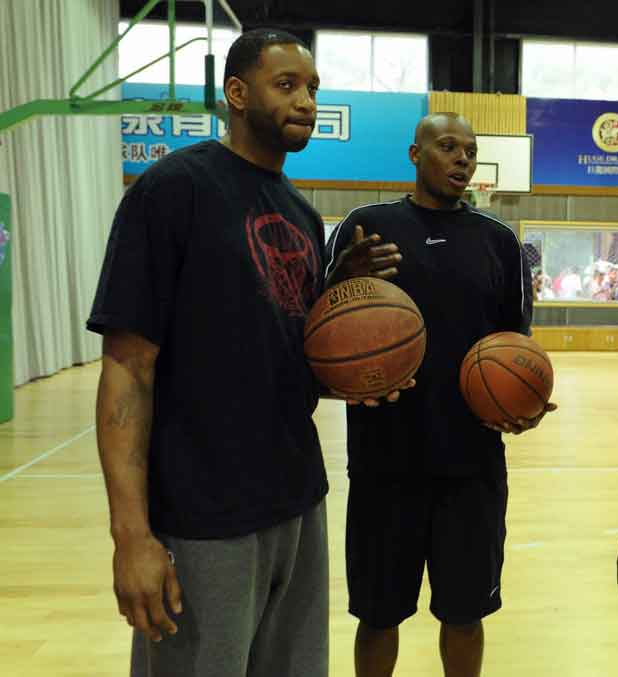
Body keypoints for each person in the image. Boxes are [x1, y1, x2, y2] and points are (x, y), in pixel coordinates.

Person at [89, 29, 335, 677]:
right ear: (236, 93)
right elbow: (127, 369)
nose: (306, 100)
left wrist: (360, 354)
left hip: (300, 504)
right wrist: (131, 536)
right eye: (287, 85)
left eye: (312, 88)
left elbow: (292, 364)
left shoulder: (305, 219)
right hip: (204, 517)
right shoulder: (175, 191)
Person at [324, 112, 556, 677]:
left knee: (465, 613)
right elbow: (324, 321)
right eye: (447, 147)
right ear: (414, 154)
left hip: (471, 464)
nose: (462, 159)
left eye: (470, 151)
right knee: (378, 615)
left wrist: (521, 402)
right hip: (385, 461)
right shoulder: (366, 226)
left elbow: (513, 344)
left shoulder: (497, 242)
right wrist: (338, 277)